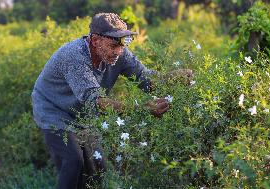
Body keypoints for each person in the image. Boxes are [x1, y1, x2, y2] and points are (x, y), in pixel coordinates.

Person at [31, 13, 175, 189]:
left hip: (82, 114)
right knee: (73, 162)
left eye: (123, 44)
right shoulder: (74, 56)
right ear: (95, 40)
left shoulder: (120, 53)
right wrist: (141, 109)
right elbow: (97, 101)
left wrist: (174, 78)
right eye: (113, 45)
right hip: (54, 110)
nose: (118, 51)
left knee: (98, 168)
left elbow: (146, 79)